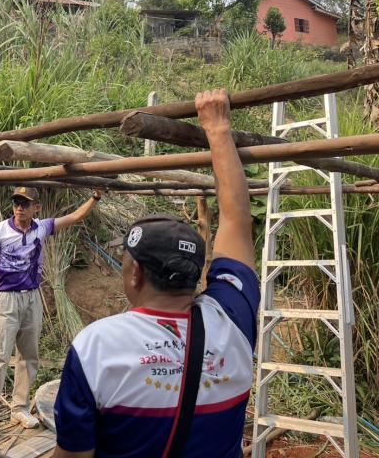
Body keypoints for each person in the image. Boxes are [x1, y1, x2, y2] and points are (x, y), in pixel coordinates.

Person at [53, 89, 259, 458]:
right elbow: (237, 221)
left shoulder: (96, 347)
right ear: (196, 273)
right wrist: (218, 130)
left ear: (135, 274)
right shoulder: (233, 322)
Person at [0, 185, 102, 428]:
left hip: (32, 298)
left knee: (29, 355)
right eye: (16, 203)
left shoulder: (42, 228)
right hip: (6, 298)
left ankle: (20, 408)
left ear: (36, 207)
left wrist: (95, 197)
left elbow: (75, 217)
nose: (19, 208)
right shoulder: (0, 230)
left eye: (25, 204)